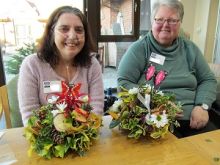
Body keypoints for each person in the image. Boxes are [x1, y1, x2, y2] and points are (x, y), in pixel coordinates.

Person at [117, 0, 217, 138]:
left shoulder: (191, 49)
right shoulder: (139, 49)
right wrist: (156, 104)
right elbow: (124, 83)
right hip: (152, 119)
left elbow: (208, 79)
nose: (165, 25)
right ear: (152, 22)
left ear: (180, 22)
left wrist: (202, 106)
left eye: (172, 20)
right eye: (160, 20)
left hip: (193, 119)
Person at [18, 6, 104, 126]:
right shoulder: (32, 65)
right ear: (51, 32)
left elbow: (97, 109)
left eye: (79, 30)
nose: (73, 35)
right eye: (64, 29)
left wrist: (81, 135)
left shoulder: (92, 64)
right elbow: (30, 116)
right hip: (45, 140)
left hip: (86, 138)